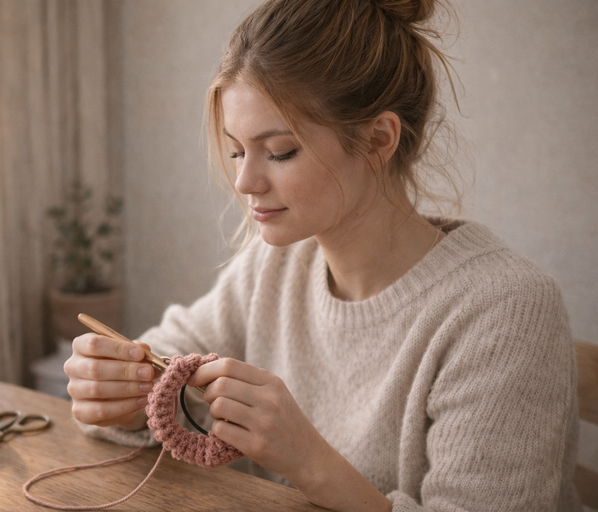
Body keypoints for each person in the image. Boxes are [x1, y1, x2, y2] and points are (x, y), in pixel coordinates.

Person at [64, 0, 580, 510]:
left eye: (280, 151)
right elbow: (165, 355)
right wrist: (121, 399)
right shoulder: (275, 264)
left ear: (378, 139)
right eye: (237, 150)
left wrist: (307, 460)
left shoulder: (506, 310)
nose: (244, 181)